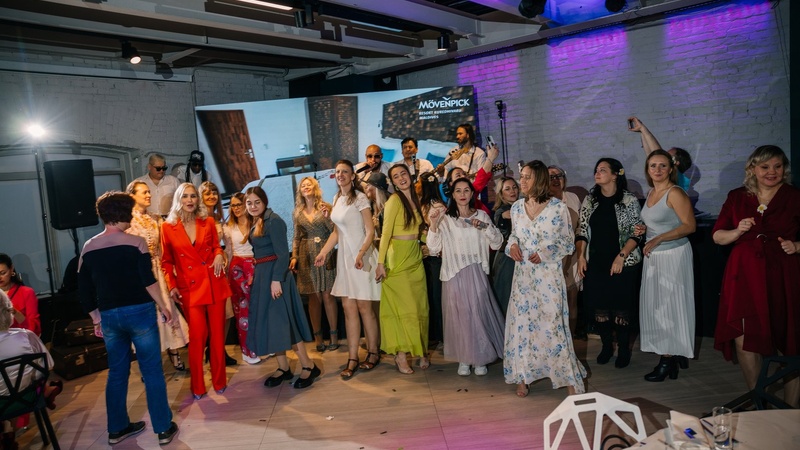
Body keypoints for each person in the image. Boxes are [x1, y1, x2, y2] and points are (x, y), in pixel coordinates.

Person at [78, 192, 178, 445]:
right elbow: (148, 281)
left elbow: (83, 289)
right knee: (152, 371)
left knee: (117, 372)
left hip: (109, 316)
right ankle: (163, 428)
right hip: (140, 312)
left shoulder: (89, 247)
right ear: (124, 213)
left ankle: (117, 429)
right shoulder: (136, 243)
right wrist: (164, 306)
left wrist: (95, 318)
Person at [712, 145, 799, 407]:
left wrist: (797, 246)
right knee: (745, 339)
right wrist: (737, 231)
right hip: (744, 276)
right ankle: (759, 401)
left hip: (784, 276)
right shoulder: (737, 197)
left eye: (778, 166)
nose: (772, 172)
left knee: (790, 341)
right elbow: (718, 237)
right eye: (765, 167)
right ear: (752, 169)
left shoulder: (794, 197)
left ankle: (790, 411)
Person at [504, 161, 586, 398]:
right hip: (523, 277)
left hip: (548, 277)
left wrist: (545, 253)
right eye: (521, 177)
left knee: (553, 326)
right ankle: (523, 377)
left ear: (539, 179)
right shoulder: (517, 208)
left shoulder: (558, 208)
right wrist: (513, 246)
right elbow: (514, 235)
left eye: (527, 177)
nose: (522, 181)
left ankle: (568, 379)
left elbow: (567, 243)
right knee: (523, 326)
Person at [427, 177, 505, 376]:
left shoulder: (481, 216)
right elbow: (433, 248)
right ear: (452, 195)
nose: (462, 194)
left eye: (466, 190)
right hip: (454, 273)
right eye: (458, 191)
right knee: (460, 316)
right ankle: (464, 358)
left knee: (478, 313)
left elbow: (497, 243)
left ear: (472, 193)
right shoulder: (445, 218)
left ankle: (480, 358)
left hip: (476, 271)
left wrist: (484, 227)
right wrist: (433, 224)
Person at [161, 183, 232, 400]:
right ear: (178, 200)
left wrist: (219, 254)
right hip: (189, 288)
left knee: (217, 336)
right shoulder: (167, 227)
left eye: (193, 196)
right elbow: (166, 261)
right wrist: (171, 285)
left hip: (214, 282)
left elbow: (216, 247)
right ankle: (198, 385)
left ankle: (219, 381)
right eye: (185, 196)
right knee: (198, 337)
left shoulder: (207, 221)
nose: (190, 200)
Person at [245, 186, 321, 389]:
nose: (253, 206)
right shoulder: (257, 221)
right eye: (249, 203)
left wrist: (276, 280)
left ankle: (309, 365)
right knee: (274, 325)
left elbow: (281, 254)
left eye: (257, 202)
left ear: (264, 202)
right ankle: (283, 367)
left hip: (276, 278)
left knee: (286, 323)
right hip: (264, 277)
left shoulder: (274, 221)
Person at [314, 160, 381, 379]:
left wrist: (360, 253)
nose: (340, 175)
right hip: (344, 259)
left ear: (352, 176)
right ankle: (353, 358)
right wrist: (324, 252)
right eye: (337, 172)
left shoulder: (360, 198)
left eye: (345, 171)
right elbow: (337, 232)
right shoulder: (336, 199)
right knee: (348, 308)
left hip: (360, 256)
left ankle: (373, 352)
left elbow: (370, 231)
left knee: (364, 307)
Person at [576, 158, 644, 369]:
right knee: (600, 310)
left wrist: (621, 255)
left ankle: (623, 349)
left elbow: (637, 232)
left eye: (603, 170)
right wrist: (580, 256)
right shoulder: (590, 200)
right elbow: (582, 229)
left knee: (621, 310)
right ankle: (607, 346)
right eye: (596, 170)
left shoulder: (628, 199)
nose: (597, 173)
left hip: (623, 262)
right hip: (596, 263)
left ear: (615, 175)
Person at [638, 150, 696, 382]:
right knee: (658, 307)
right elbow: (659, 221)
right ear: (647, 169)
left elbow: (690, 226)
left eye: (663, 165)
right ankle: (673, 356)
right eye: (653, 165)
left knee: (670, 307)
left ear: (671, 169)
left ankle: (667, 360)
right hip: (654, 256)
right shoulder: (652, 192)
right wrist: (645, 230)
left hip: (674, 255)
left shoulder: (675, 192)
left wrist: (659, 238)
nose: (658, 170)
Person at [125, 181, 190, 372]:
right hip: (139, 273)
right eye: (144, 192)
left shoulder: (155, 219)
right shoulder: (127, 221)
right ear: (132, 195)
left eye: (149, 192)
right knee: (147, 316)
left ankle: (174, 352)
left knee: (167, 309)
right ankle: (148, 363)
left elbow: (163, 249)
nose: (149, 195)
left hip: (157, 270)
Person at [375, 164, 429, 374]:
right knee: (405, 310)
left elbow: (417, 231)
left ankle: (420, 350)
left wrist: (431, 240)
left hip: (415, 257)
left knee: (420, 307)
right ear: (393, 182)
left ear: (410, 176)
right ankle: (401, 355)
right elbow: (386, 233)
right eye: (396, 176)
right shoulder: (394, 200)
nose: (401, 178)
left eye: (403, 174)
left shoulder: (415, 198)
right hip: (398, 258)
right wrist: (380, 263)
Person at [0, 290, 60, 450]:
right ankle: (8, 432)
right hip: (27, 397)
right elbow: (48, 366)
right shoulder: (26, 336)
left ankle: (6, 432)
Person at [289, 177, 339, 353]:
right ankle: (318, 337)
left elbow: (335, 230)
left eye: (309, 184)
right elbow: (296, 237)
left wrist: (328, 217)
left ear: (315, 187)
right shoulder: (297, 212)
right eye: (303, 185)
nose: (306, 187)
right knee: (314, 297)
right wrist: (294, 256)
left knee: (328, 296)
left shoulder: (326, 207)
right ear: (300, 190)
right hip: (307, 255)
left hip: (326, 252)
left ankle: (334, 336)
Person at [199, 181, 237, 366]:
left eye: (214, 192)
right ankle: (212, 350)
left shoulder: (218, 217)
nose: (212, 196)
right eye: (207, 193)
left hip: (222, 271)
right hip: (204, 272)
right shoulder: (196, 218)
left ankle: (218, 349)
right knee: (209, 316)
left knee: (226, 312)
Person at [222, 192, 259, 365]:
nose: (236, 208)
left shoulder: (256, 222)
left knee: (258, 308)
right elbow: (227, 251)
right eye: (233, 205)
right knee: (243, 310)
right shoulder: (228, 227)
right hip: (237, 270)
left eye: (239, 204)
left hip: (256, 267)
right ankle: (247, 350)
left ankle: (262, 345)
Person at [548, 165, 582, 335]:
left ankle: (571, 338)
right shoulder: (542, 201)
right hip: (551, 258)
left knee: (571, 299)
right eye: (551, 177)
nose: (555, 179)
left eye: (559, 176)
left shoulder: (573, 198)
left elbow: (581, 227)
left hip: (573, 254)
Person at [628, 117, 694, 193]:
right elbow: (651, 154)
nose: (664, 156)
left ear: (677, 162)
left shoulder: (679, 178)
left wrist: (643, 128)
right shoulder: (670, 175)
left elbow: (657, 152)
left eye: (667, 155)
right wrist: (642, 132)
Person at [417, 171, 446, 349]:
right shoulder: (423, 204)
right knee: (428, 295)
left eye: (419, 183)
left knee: (437, 296)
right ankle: (433, 334)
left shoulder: (437, 206)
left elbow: (440, 232)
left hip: (435, 256)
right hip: (424, 255)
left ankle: (442, 335)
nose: (416, 186)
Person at [490, 176, 519, 316]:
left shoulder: (521, 206)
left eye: (514, 187)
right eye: (507, 189)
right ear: (501, 194)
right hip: (507, 259)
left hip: (520, 257)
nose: (512, 191)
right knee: (506, 296)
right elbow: (502, 219)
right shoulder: (503, 211)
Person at [0, 254, 40, 336]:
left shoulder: (26, 292)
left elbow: (34, 329)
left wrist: (16, 313)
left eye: (3, 273)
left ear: (11, 269)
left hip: (21, 339)